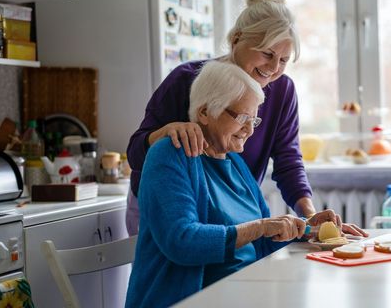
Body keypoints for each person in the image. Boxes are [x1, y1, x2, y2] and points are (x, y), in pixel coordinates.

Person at [126, 0, 367, 237]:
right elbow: (135, 154)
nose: (274, 68)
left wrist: (308, 216)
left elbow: (288, 161)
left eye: (284, 60)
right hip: (166, 210)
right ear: (236, 39)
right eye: (267, 54)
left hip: (226, 212)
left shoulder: (282, 90)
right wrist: (164, 132)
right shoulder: (186, 80)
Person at [126, 61, 308, 307]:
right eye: (241, 117)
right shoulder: (171, 154)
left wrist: (308, 229)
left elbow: (263, 242)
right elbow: (182, 240)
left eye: (253, 121)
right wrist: (261, 227)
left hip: (244, 295)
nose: (248, 130)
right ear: (204, 112)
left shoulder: (236, 164)